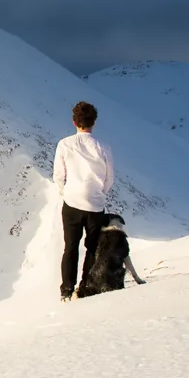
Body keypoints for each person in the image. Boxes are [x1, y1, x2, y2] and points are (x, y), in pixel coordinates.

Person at [54, 101, 114, 301]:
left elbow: (58, 176)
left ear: (74, 122)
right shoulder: (103, 147)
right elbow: (109, 178)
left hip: (71, 203)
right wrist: (99, 194)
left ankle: (66, 291)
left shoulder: (64, 144)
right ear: (93, 122)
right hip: (95, 206)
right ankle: (85, 287)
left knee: (70, 248)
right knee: (92, 248)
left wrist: (67, 193)